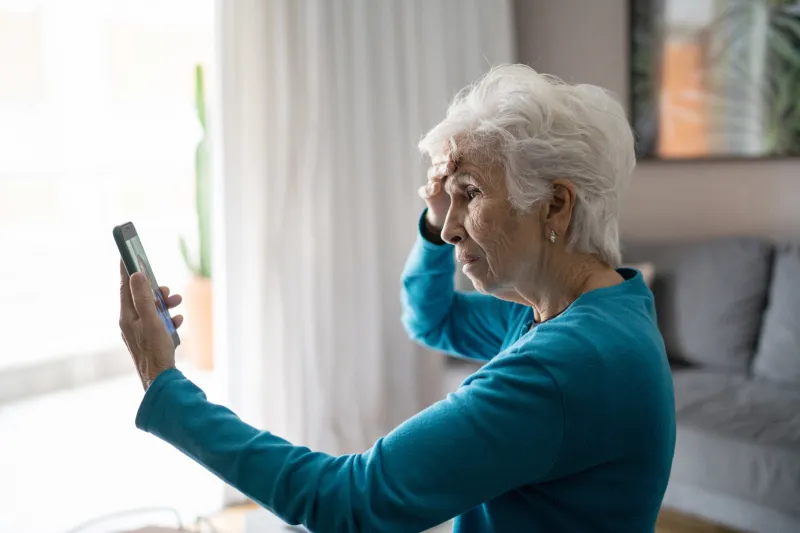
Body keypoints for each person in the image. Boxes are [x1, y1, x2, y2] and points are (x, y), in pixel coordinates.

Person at [118, 64, 675, 532]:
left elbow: (349, 501)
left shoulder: (565, 365)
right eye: (446, 201)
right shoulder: (595, 310)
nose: (450, 228)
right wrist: (435, 221)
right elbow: (432, 318)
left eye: (471, 194)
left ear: (555, 205)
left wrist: (166, 387)